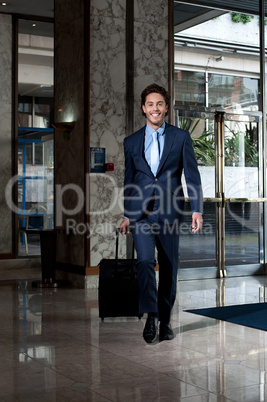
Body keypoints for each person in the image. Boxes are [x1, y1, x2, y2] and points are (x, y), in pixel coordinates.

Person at [120, 83, 203, 343]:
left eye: (159, 104)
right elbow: (129, 180)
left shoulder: (180, 138)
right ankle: (151, 314)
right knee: (144, 261)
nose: (155, 108)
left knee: (168, 267)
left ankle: (165, 320)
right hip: (141, 214)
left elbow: (192, 175)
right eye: (150, 104)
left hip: (169, 212)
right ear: (143, 109)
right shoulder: (131, 141)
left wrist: (197, 209)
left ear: (166, 107)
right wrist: (126, 213)